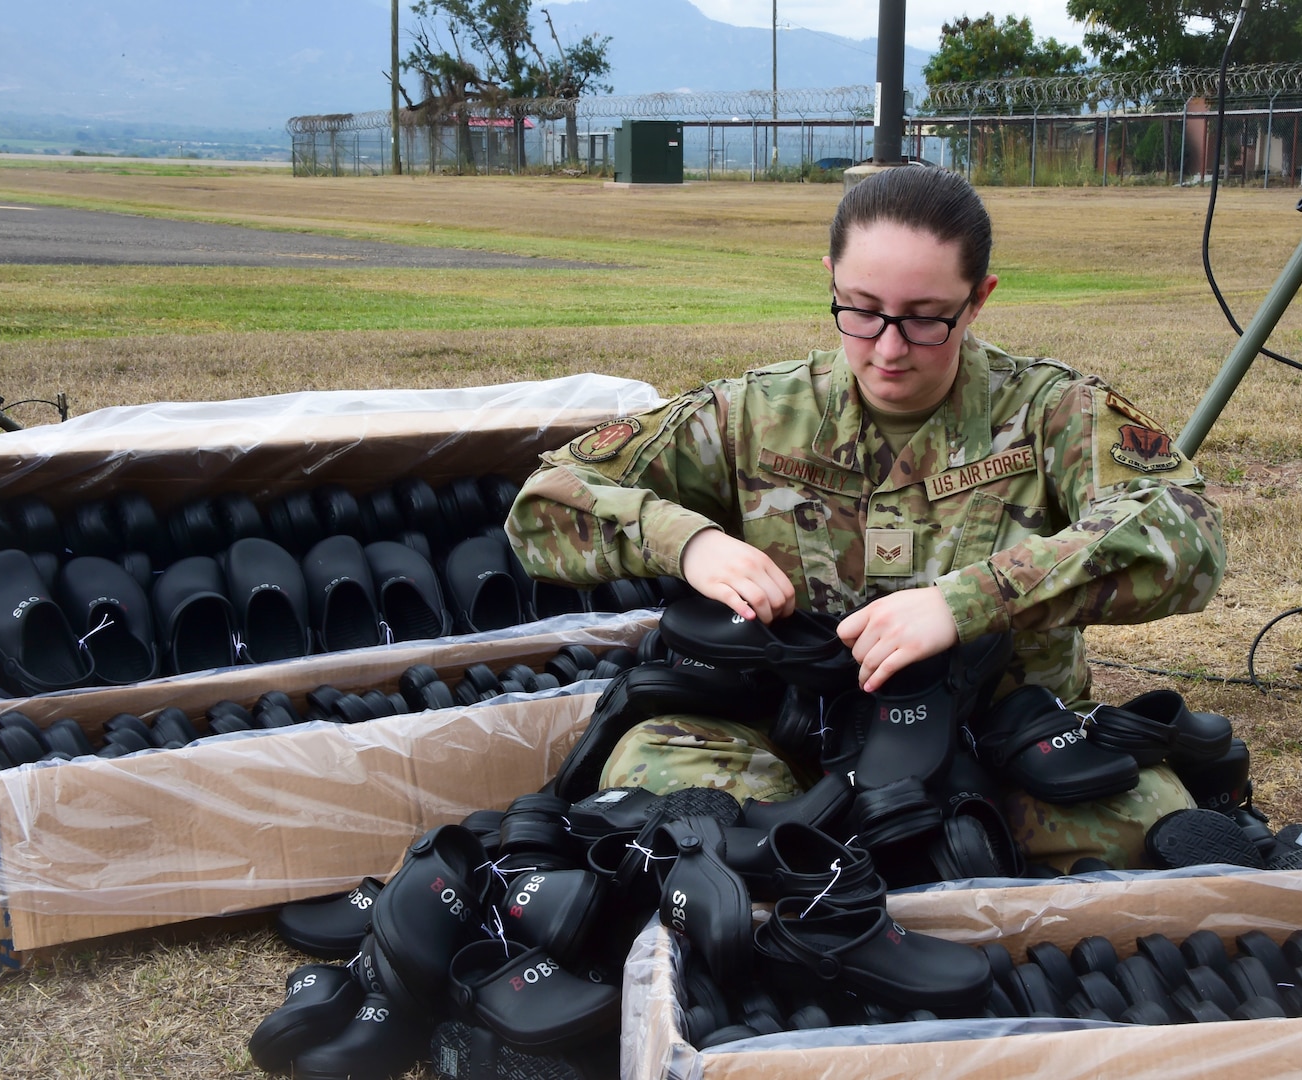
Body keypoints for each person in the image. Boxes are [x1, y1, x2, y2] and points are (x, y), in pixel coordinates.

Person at [507, 166, 1226, 870]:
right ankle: (815, 877)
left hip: (997, 738)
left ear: (977, 301)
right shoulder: (756, 413)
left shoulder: (1049, 413)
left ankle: (869, 868)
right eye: (860, 309)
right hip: (789, 733)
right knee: (660, 779)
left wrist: (968, 601)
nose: (886, 348)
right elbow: (548, 500)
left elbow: (1181, 531)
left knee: (1152, 828)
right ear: (830, 282)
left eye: (924, 319)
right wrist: (688, 542)